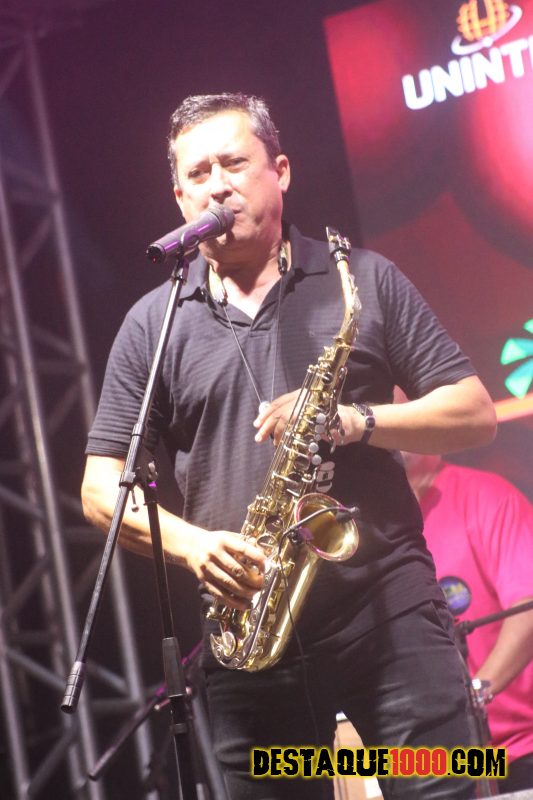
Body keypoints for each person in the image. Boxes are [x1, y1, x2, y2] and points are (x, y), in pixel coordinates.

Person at [81, 92, 497, 799]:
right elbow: (100, 488)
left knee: (445, 786)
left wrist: (353, 420)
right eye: (198, 173)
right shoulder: (152, 324)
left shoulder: (363, 278)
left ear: (280, 172)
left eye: (233, 164)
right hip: (250, 638)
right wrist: (194, 548)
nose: (217, 185)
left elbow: (475, 414)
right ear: (179, 198)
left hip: (389, 617)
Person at [402, 450, 533, 793]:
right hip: (440, 761)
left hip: (519, 749)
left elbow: (528, 609)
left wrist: (473, 697)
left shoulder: (487, 495)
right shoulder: (378, 528)